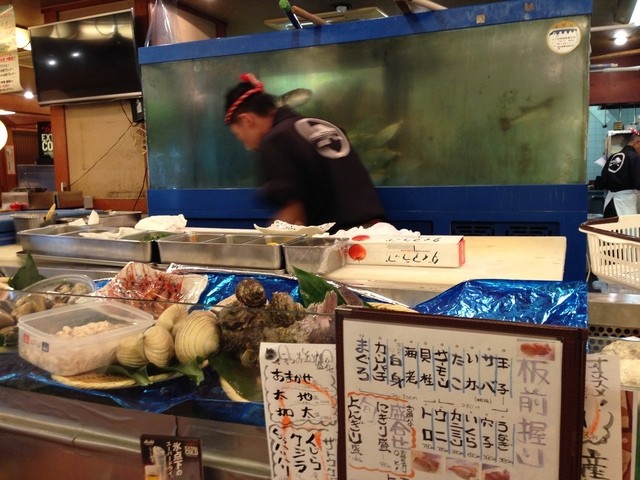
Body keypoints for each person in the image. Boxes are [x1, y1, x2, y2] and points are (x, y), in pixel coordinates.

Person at [224, 73, 385, 232]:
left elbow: (293, 215)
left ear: (246, 120)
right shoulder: (325, 126)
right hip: (377, 233)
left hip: (341, 241)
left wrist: (266, 242)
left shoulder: (276, 139)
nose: (245, 144)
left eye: (238, 134)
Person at [594, 130, 640, 217]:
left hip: (609, 204)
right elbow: (638, 183)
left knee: (609, 226)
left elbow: (603, 182)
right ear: (637, 142)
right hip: (625, 205)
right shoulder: (635, 158)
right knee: (625, 226)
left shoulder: (612, 157)